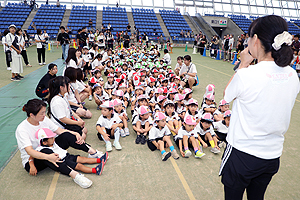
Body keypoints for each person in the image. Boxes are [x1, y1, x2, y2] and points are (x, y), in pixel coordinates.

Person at [220, 15, 299, 200]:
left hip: (242, 153)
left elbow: (226, 96)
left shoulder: (247, 75)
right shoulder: (292, 75)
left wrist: (244, 64)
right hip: (271, 156)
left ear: (255, 39)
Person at [15, 99, 104, 188]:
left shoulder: (43, 119)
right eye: (42, 113)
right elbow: (30, 151)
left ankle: (93, 153)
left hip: (51, 148)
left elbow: (59, 130)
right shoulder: (22, 129)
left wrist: (74, 133)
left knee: (67, 135)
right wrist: (48, 157)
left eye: (44, 112)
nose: (44, 115)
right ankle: (76, 176)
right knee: (46, 151)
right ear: (32, 115)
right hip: (34, 160)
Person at [34, 128, 107, 177]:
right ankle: (94, 170)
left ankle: (100, 160)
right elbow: (34, 153)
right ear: (44, 142)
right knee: (79, 166)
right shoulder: (41, 150)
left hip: (67, 155)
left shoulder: (52, 143)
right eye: (52, 138)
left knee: (82, 159)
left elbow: (63, 132)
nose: (54, 138)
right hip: (64, 161)